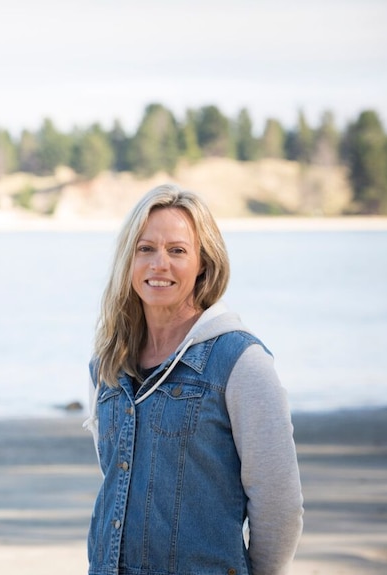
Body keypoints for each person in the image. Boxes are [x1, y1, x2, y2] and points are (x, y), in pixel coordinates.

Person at [84, 184, 303, 575]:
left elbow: (279, 506)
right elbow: (116, 482)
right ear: (128, 260)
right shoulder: (108, 365)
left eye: (178, 251)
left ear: (204, 262)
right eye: (145, 248)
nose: (159, 264)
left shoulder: (243, 364)